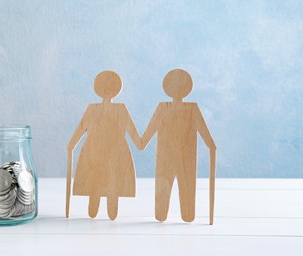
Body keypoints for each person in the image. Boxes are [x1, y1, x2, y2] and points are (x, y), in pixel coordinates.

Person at [140, 69, 216, 223]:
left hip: (175, 158)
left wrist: (140, 142)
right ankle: (179, 215)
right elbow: (207, 137)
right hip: (175, 158)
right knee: (183, 188)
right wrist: (211, 146)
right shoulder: (186, 109)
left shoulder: (170, 108)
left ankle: (170, 214)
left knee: (172, 188)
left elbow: (146, 136)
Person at [67, 70, 141, 220]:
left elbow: (79, 131)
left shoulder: (95, 109)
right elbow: (134, 135)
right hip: (111, 151)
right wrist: (142, 142)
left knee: (98, 178)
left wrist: (71, 144)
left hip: (98, 150)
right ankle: (107, 211)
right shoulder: (118, 109)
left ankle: (96, 210)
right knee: (107, 179)